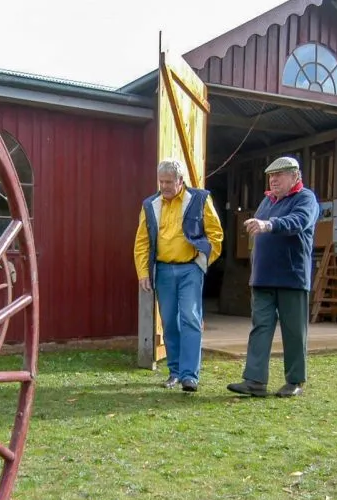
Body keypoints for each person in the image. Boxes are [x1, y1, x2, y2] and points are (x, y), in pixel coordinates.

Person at [227, 156, 319, 398]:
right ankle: (255, 381)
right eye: (271, 176)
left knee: (294, 331)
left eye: (280, 175)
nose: (274, 179)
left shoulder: (305, 199)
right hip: (263, 278)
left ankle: (295, 380)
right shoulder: (266, 201)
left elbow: (298, 222)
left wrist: (269, 225)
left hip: (292, 277)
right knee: (260, 328)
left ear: (295, 176)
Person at [134, 159, 224, 392]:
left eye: (169, 182)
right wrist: (143, 271)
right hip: (163, 270)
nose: (164, 186)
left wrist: (201, 262)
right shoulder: (150, 204)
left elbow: (216, 234)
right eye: (161, 181)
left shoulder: (200, 199)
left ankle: (189, 376)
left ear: (180, 181)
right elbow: (142, 241)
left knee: (191, 318)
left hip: (189, 269)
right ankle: (174, 372)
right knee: (169, 322)